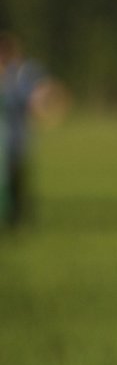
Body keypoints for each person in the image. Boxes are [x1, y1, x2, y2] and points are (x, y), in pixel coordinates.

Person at [0, 31, 55, 228]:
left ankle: (16, 220)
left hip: (16, 139)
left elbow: (33, 100)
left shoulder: (19, 77)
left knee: (17, 181)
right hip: (8, 140)